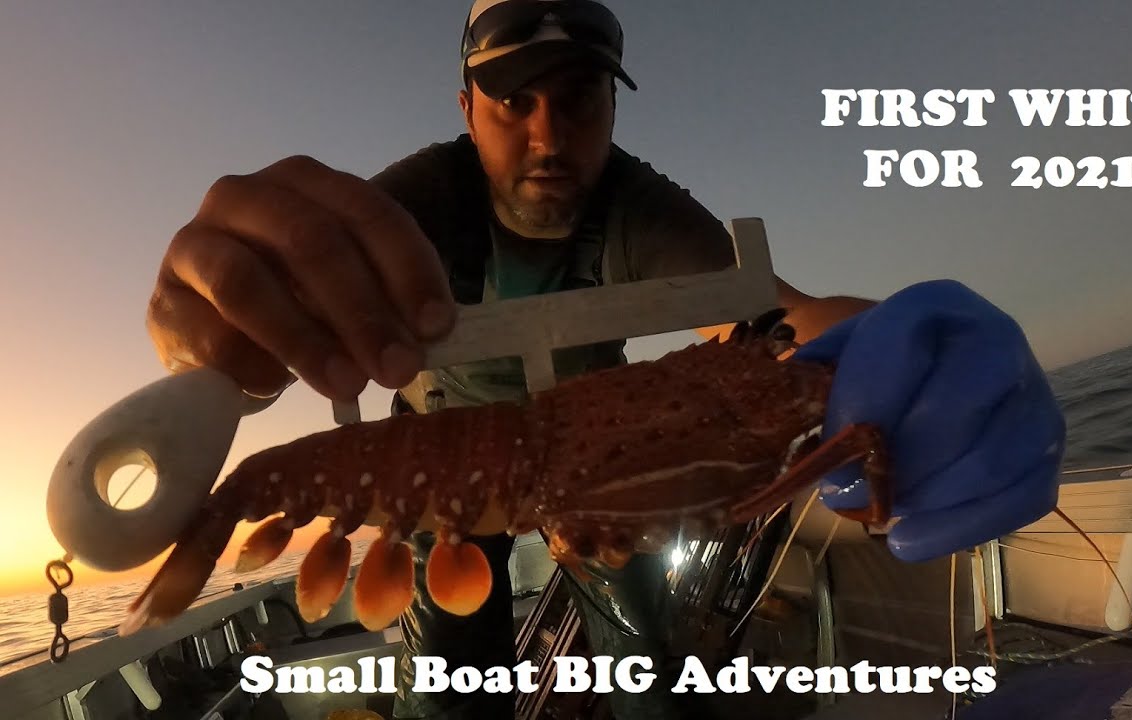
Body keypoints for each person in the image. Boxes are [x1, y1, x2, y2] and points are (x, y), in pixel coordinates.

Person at [143, 1, 1065, 718]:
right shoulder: (417, 198)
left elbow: (774, 318)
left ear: (612, 103)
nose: (549, 136)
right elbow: (277, 306)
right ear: (467, 107)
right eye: (514, 98)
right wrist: (216, 354)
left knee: (652, 674)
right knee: (453, 683)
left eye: (579, 97)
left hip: (594, 470)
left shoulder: (639, 205)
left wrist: (912, 344)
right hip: (434, 456)